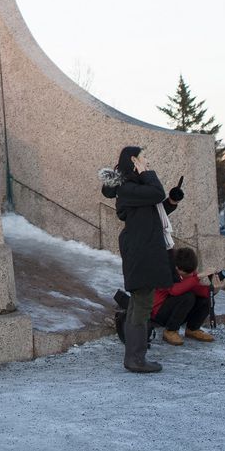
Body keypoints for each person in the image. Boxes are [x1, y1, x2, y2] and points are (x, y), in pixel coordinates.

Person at [99, 146, 181, 373]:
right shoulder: (128, 188)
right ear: (134, 160)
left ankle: (135, 356)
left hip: (144, 249)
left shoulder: (133, 187)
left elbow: (150, 211)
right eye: (144, 158)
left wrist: (171, 202)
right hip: (141, 251)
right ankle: (135, 358)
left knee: (139, 304)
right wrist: (147, 173)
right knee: (141, 306)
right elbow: (155, 193)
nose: (148, 161)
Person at [152, 247, 221, 345]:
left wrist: (213, 290)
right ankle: (170, 331)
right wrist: (198, 277)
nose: (190, 275)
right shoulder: (165, 271)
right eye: (187, 273)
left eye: (192, 272)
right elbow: (174, 291)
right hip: (159, 313)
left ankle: (192, 329)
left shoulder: (188, 270)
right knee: (188, 297)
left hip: (176, 312)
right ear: (176, 268)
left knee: (207, 298)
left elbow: (197, 289)